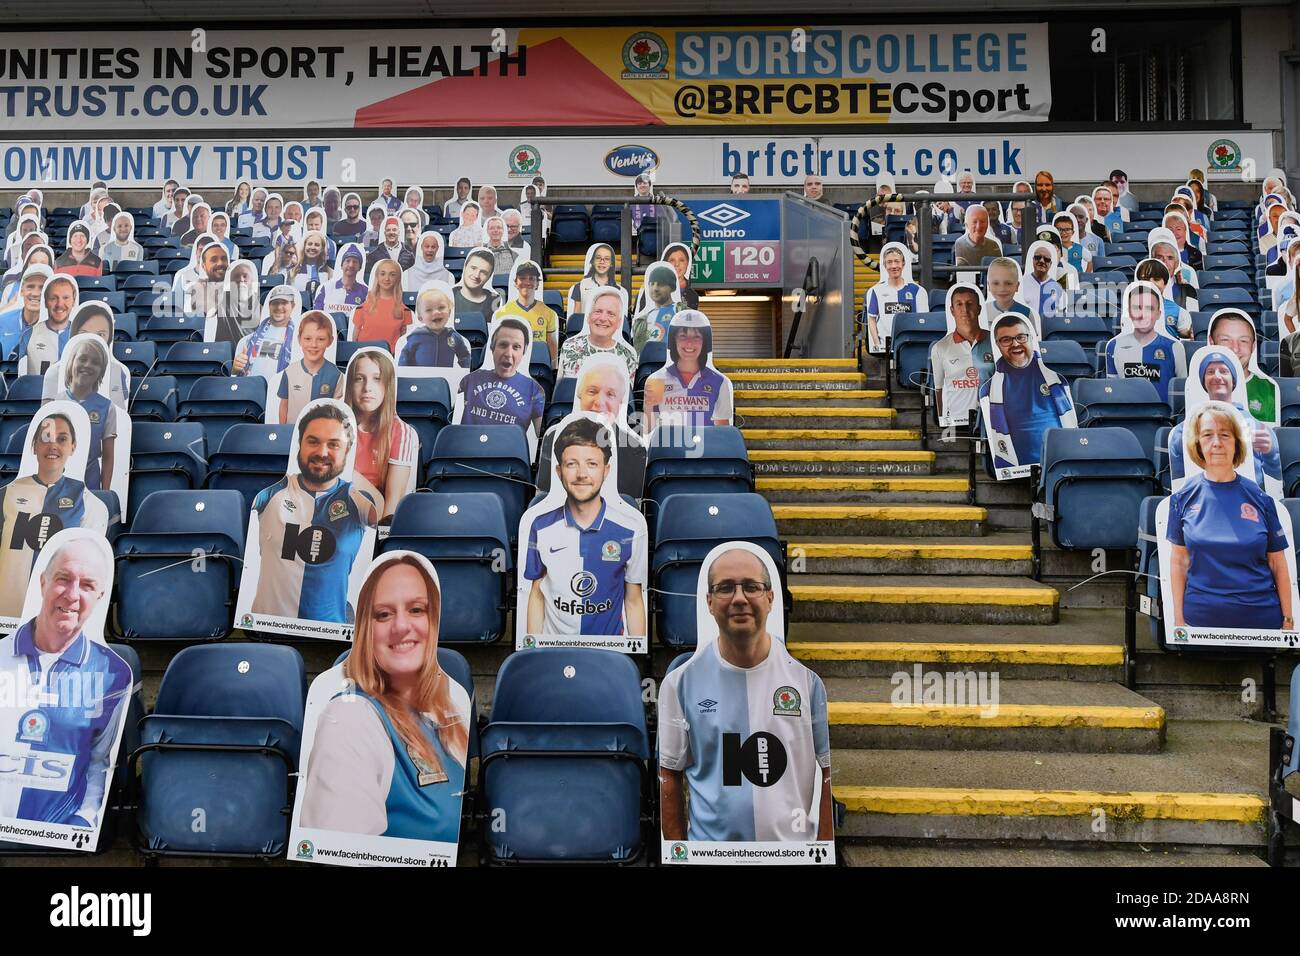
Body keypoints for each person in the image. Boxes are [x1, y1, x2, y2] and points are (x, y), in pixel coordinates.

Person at [658, 546, 832, 843]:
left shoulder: (808, 682)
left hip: (791, 856)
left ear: (771, 598)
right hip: (712, 858)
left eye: (751, 587)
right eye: (725, 588)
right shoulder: (679, 683)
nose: (739, 598)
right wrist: (681, 855)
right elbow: (668, 775)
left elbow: (826, 773)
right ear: (709, 602)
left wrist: (822, 850)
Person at [298, 553, 469, 842]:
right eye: (383, 614)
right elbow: (343, 852)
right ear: (366, 628)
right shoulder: (351, 717)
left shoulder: (441, 713)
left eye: (416, 609)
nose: (401, 626)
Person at [0, 536, 130, 829]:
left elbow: (101, 762)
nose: (72, 595)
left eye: (87, 585)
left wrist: (84, 819)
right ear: (42, 583)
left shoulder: (113, 673)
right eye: (63, 579)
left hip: (57, 836)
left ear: (100, 596)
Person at [1167, 402, 1293, 632]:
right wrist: (1178, 620)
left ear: (1236, 443)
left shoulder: (1261, 498)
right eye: (1207, 435)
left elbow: (1278, 563)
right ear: (1198, 444)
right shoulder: (1182, 498)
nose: (1216, 443)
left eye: (1225, 435)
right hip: (1200, 623)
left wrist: (1289, 618)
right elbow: (1179, 562)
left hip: (1262, 623)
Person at [250, 402, 380, 623]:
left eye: (334, 444)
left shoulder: (357, 499)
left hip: (329, 631)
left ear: (347, 451)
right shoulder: (272, 491)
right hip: (268, 628)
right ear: (299, 444)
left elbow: (387, 523)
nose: (322, 452)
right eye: (313, 441)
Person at [524, 416, 647, 638]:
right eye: (572, 464)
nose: (582, 474)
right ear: (559, 471)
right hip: (555, 649)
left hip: (610, 651)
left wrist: (635, 653)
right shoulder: (540, 526)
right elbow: (537, 594)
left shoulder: (631, 529)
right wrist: (532, 649)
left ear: (606, 471)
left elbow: (634, 600)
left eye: (592, 464)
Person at [0, 413, 109, 617]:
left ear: (73, 447)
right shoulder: (5, 494)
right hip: (6, 615)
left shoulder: (90, 504)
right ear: (34, 446)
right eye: (45, 438)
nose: (53, 445)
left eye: (62, 439)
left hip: (56, 617)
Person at [536, 354, 646, 499]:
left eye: (610, 394)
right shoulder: (553, 436)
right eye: (592, 391)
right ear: (580, 395)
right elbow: (544, 500)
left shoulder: (635, 447)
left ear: (620, 402)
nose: (599, 402)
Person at [979, 314, 1075, 475]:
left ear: (1031, 338)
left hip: (1061, 465)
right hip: (1016, 470)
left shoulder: (1057, 379)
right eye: (1006, 340)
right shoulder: (988, 389)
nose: (1015, 344)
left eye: (1021, 337)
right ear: (997, 345)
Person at [344, 349, 418, 519]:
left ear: (388, 385)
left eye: (377, 379)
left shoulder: (401, 431)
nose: (367, 388)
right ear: (350, 385)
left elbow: (393, 503)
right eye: (359, 379)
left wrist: (380, 534)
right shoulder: (336, 424)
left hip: (373, 515)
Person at [642, 310, 734, 433]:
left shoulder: (720, 382)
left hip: (706, 445)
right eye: (683, 336)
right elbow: (649, 431)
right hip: (667, 445)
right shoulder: (656, 380)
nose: (689, 343)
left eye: (697, 337)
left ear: (704, 342)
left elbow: (723, 434)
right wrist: (648, 408)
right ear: (674, 340)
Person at [458, 317, 545, 437]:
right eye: (503, 345)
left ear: (523, 352)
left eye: (516, 347)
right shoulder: (470, 379)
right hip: (468, 447)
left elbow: (542, 436)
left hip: (507, 449)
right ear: (492, 348)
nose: (508, 354)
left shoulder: (534, 390)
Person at [1104, 282, 1187, 403]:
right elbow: (1112, 394)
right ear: (1129, 312)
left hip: (1164, 415)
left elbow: (1182, 394)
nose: (1143, 315)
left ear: (1159, 314)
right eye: (1137, 308)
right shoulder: (1113, 346)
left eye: (1149, 308)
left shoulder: (1175, 347)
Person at [54, 337, 117, 491]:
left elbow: (108, 457)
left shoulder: (107, 407)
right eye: (82, 359)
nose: (88, 365)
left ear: (101, 371)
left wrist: (105, 493)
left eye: (95, 362)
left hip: (90, 483)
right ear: (72, 362)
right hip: (57, 482)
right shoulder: (55, 402)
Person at [930, 283, 994, 427]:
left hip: (992, 420)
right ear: (952, 310)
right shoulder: (940, 347)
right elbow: (938, 389)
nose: (965, 309)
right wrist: (943, 421)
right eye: (959, 304)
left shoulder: (995, 341)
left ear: (979, 309)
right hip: (956, 422)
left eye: (970, 304)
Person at [1209, 310, 1278, 426]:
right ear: (1212, 342)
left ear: (1253, 346)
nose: (1235, 348)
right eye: (1225, 340)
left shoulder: (1269, 389)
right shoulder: (1195, 388)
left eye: (1243, 341)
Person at [277, 312, 343, 426]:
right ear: (299, 339)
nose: (313, 345)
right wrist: (283, 431)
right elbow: (284, 405)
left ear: (330, 341)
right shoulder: (289, 372)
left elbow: (336, 410)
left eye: (321, 339)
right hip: (292, 432)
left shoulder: (336, 375)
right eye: (307, 338)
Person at [559, 287, 636, 381]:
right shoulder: (569, 346)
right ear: (588, 317)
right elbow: (561, 388)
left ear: (619, 322)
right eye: (598, 311)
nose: (603, 318)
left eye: (611, 314)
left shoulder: (628, 355)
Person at [863, 242, 928, 353]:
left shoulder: (917, 290)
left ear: (903, 264)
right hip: (885, 349)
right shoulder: (876, 291)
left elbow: (923, 320)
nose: (893, 266)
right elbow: (872, 319)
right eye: (889, 262)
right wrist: (877, 344)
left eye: (897, 261)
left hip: (910, 347)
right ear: (884, 265)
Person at [494, 261, 557, 366]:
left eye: (531, 278)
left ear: (537, 284)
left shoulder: (548, 312)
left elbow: (551, 343)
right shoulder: (503, 313)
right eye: (522, 278)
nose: (527, 282)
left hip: (538, 365)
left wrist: (553, 367)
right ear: (515, 283)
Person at [400, 282, 470, 370]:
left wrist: (466, 370)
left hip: (445, 378)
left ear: (449, 312)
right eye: (429, 310)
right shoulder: (416, 336)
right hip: (421, 377)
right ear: (420, 318)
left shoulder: (454, 336)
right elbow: (404, 359)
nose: (436, 312)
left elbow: (465, 356)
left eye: (441, 307)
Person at [235, 285, 298, 382]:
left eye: (284, 303)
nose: (279, 307)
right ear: (269, 306)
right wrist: (235, 368)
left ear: (292, 306)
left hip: (280, 390)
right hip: (247, 389)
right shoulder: (246, 341)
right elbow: (234, 376)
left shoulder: (298, 342)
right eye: (275, 303)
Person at [19, 274, 77, 376]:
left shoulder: (81, 335)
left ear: (73, 301)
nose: (59, 304)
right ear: (45, 302)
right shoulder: (29, 335)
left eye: (66, 298)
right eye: (53, 298)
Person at [350, 259, 412, 351]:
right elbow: (355, 336)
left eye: (392, 275)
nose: (387, 278)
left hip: (390, 355)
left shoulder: (404, 310)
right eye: (383, 274)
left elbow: (402, 340)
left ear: (398, 278)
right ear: (377, 277)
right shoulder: (363, 307)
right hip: (365, 354)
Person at [0, 264, 51, 360]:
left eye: (42, 287)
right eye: (30, 287)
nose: (35, 293)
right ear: (22, 291)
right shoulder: (2, 321)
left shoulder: (58, 329)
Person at [1134, 259, 1193, 339]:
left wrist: (1189, 333)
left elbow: (1184, 332)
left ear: (1165, 283)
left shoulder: (1176, 309)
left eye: (1156, 279)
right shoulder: (1130, 308)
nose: (1151, 283)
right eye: (1145, 279)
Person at [313, 244, 368, 322]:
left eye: (355, 262)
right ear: (341, 265)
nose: (351, 265)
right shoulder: (326, 288)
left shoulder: (365, 291)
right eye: (348, 261)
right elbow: (316, 315)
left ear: (360, 267)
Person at [980, 257, 1037, 333]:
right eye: (996, 283)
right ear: (989, 286)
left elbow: (1033, 339)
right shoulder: (982, 312)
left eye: (1008, 283)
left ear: (1017, 286)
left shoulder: (1027, 313)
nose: (1002, 289)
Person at [631, 262, 678, 351]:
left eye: (661, 284)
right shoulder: (641, 320)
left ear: (672, 287)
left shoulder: (681, 313)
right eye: (652, 284)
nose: (655, 289)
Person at [566, 243, 617, 318]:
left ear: (611, 263)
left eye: (606, 259)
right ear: (593, 261)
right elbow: (576, 318)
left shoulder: (617, 290)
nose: (602, 262)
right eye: (598, 258)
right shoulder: (580, 286)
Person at [452, 249, 502, 324]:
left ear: (489, 277)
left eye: (483, 272)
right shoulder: (448, 294)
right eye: (473, 268)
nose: (476, 275)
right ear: (465, 267)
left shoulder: (495, 301)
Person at [1018, 240, 1065, 318]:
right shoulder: (1021, 283)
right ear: (1033, 259)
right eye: (1038, 257)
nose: (1042, 261)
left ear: (1050, 264)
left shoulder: (1057, 287)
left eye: (1046, 259)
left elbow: (1061, 315)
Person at [185, 240, 230, 317]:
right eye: (214, 259)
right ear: (203, 266)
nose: (220, 263)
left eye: (224, 259)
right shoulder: (195, 289)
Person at [662, 242, 699, 310]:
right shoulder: (652, 289)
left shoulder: (692, 295)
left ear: (688, 264)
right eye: (672, 260)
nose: (677, 264)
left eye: (681, 260)